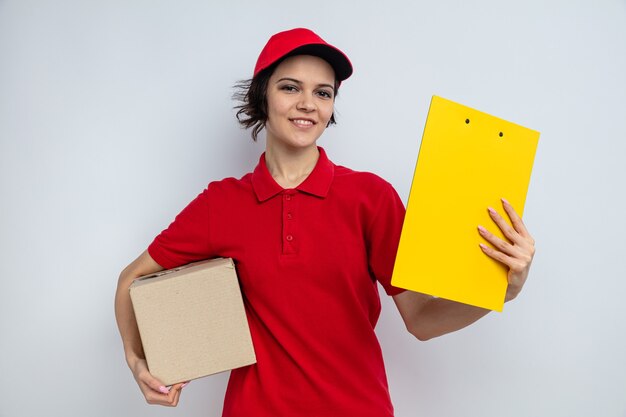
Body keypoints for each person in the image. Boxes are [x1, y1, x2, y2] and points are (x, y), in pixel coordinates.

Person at [114, 28, 536, 416]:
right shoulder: (223, 203)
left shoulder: (370, 198)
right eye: (290, 88)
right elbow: (131, 280)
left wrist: (501, 292)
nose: (307, 104)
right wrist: (137, 362)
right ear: (263, 96)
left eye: (323, 93)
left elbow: (421, 320)